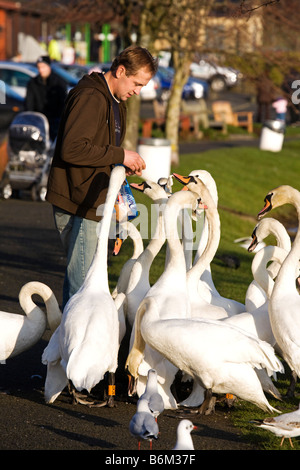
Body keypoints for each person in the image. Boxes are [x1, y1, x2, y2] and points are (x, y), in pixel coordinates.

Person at [46, 45, 158, 308]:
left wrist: (119, 165)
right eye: (136, 83)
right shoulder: (90, 97)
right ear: (120, 70)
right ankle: (74, 346)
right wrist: (120, 155)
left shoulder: (117, 102)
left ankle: (70, 342)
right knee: (82, 286)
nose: (138, 91)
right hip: (80, 201)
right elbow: (72, 148)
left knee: (84, 281)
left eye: (143, 86)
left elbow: (100, 149)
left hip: (96, 200)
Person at [25, 55, 67, 140]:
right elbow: (29, 104)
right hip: (38, 123)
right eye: (39, 67)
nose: (41, 70)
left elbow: (63, 105)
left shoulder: (59, 83)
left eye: (43, 67)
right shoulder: (33, 83)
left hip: (55, 124)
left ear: (49, 67)